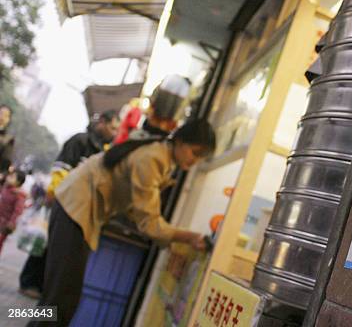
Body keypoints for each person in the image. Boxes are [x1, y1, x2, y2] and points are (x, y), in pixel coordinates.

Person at [29, 117, 215, 326]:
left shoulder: (160, 155)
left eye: (202, 157)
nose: (195, 161)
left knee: (57, 299)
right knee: (61, 301)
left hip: (76, 208)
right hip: (76, 207)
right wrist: (190, 237)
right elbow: (150, 224)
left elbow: (140, 213)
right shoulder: (153, 158)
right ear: (181, 141)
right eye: (195, 153)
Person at [19, 110, 119, 299]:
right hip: (63, 202)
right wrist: (55, 194)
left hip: (78, 208)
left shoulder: (103, 151)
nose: (114, 132)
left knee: (55, 250)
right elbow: (61, 169)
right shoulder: (80, 141)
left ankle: (41, 288)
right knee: (46, 245)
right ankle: (29, 282)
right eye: (112, 127)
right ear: (102, 123)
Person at [0, 169, 27, 256]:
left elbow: (18, 211)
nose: (9, 177)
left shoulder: (19, 194)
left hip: (5, 224)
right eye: (9, 175)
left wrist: (11, 223)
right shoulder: (5, 187)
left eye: (12, 177)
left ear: (18, 182)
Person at [0, 104, 15, 181]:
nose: (2, 117)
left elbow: (5, 163)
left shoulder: (8, 139)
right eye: (1, 113)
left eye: (6, 115)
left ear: (9, 120)